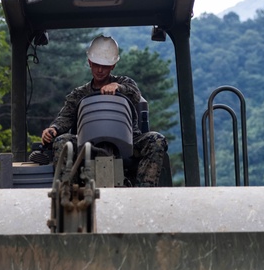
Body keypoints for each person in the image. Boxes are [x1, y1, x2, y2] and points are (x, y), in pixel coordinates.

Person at [35, 35, 168, 187]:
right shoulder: (79, 94)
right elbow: (65, 117)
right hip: (87, 143)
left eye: (105, 66)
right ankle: (69, 193)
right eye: (96, 64)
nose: (99, 70)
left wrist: (118, 87)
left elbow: (135, 94)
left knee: (156, 140)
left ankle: (143, 193)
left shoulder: (125, 83)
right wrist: (53, 129)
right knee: (62, 142)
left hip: (129, 143)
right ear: (89, 62)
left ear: (113, 66)